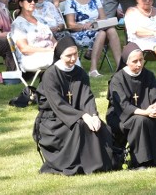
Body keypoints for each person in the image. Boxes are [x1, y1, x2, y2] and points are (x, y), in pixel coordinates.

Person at [33, 35, 115, 175]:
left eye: (75, 54)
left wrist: (93, 115)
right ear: (60, 55)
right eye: (68, 55)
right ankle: (83, 164)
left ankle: (100, 164)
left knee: (99, 126)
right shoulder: (50, 75)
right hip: (53, 119)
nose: (73, 59)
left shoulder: (80, 73)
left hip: (76, 115)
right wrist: (82, 115)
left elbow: (87, 97)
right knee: (80, 125)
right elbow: (57, 104)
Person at [106, 43, 156, 170]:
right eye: (135, 61)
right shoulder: (117, 79)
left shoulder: (148, 75)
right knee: (140, 121)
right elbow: (123, 105)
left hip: (146, 112)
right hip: (121, 116)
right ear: (126, 62)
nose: (139, 64)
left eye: (141, 60)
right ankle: (141, 162)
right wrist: (145, 112)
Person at [63, 0, 121, 78]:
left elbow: (103, 17)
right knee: (102, 33)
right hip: (80, 33)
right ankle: (93, 69)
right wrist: (85, 26)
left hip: (96, 28)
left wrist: (94, 23)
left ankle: (120, 67)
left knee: (111, 30)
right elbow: (70, 25)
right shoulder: (70, 1)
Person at [10, 0, 56, 72]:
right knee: (63, 58)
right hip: (30, 58)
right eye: (29, 0)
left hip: (49, 53)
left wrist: (59, 49)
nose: (33, 2)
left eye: (35, 0)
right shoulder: (18, 24)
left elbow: (53, 40)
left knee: (68, 52)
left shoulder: (40, 20)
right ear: (21, 3)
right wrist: (48, 51)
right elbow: (24, 49)